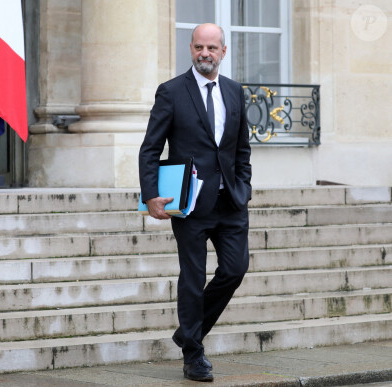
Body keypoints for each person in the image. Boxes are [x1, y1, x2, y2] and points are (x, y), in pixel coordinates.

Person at [138, 23, 252, 382]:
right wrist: (150, 195)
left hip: (231, 203)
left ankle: (188, 331)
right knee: (192, 277)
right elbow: (150, 148)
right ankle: (193, 355)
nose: (205, 53)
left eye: (211, 48)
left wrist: (244, 186)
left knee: (234, 270)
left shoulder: (234, 92)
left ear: (223, 51)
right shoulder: (171, 92)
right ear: (190, 48)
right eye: (198, 47)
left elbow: (241, 149)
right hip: (189, 204)